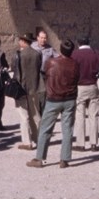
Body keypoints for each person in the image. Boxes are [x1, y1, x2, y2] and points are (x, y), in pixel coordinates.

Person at [26, 39, 80, 169]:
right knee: (67, 130)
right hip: (70, 99)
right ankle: (64, 159)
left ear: (61, 49)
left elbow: (45, 74)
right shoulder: (75, 64)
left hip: (54, 99)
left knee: (45, 129)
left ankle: (40, 158)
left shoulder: (51, 62)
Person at [72, 35, 99, 152]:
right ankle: (94, 143)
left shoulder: (75, 54)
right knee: (94, 116)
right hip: (93, 86)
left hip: (80, 87)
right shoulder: (95, 53)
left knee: (80, 116)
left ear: (78, 43)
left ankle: (80, 144)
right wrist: (98, 74)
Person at [13, 33, 44, 150]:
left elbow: (16, 71)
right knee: (36, 115)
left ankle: (27, 142)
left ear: (22, 41)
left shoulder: (19, 55)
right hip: (34, 87)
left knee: (24, 116)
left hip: (22, 88)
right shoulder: (37, 53)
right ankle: (39, 138)